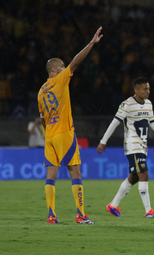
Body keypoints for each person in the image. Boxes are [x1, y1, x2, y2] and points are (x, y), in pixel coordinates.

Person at [37, 26, 103, 224]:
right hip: (65, 132)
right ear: (55, 70)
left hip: (50, 135)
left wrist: (49, 128)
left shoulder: (41, 92)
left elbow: (41, 118)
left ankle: (51, 215)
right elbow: (76, 61)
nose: (65, 68)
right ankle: (81, 215)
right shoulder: (60, 79)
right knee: (75, 172)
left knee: (51, 175)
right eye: (62, 66)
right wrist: (91, 43)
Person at [97, 77, 154, 218]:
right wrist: (103, 141)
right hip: (132, 145)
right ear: (136, 90)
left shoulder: (148, 104)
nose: (148, 91)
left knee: (133, 178)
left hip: (143, 146)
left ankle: (112, 205)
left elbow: (153, 123)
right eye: (145, 89)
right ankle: (148, 211)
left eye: (149, 88)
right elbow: (114, 123)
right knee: (144, 174)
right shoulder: (127, 104)